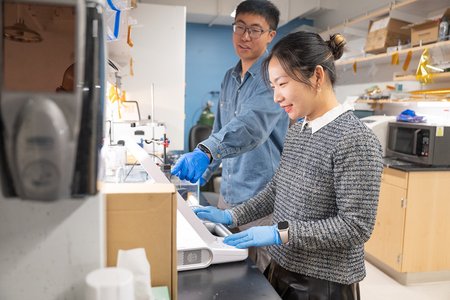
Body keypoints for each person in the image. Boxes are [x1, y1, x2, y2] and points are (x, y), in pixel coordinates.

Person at [194, 32, 383, 300]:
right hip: (281, 268)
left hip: (323, 284)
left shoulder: (355, 140)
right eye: (272, 87)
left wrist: (280, 232)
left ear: (317, 76)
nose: (276, 97)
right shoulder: (298, 129)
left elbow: (356, 226)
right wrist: (232, 216)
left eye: (282, 84)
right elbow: (276, 190)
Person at [171, 0, 289, 271]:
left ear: (271, 35)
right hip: (230, 194)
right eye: (240, 27)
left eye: (255, 30)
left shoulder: (273, 76)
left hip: (262, 197)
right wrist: (198, 177)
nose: (245, 36)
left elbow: (251, 126)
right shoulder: (230, 77)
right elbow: (219, 129)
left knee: (255, 275)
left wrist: (206, 151)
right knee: (228, 269)